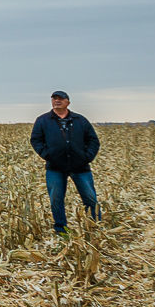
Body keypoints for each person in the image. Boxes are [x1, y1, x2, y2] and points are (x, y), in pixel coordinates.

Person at [29, 89, 101, 235]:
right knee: (56, 199)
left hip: (80, 167)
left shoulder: (80, 120)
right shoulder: (43, 120)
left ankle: (96, 227)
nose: (57, 101)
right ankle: (61, 229)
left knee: (90, 198)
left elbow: (93, 140)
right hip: (55, 167)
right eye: (54, 98)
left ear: (68, 102)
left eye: (60, 99)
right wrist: (48, 155)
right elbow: (36, 140)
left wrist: (87, 157)